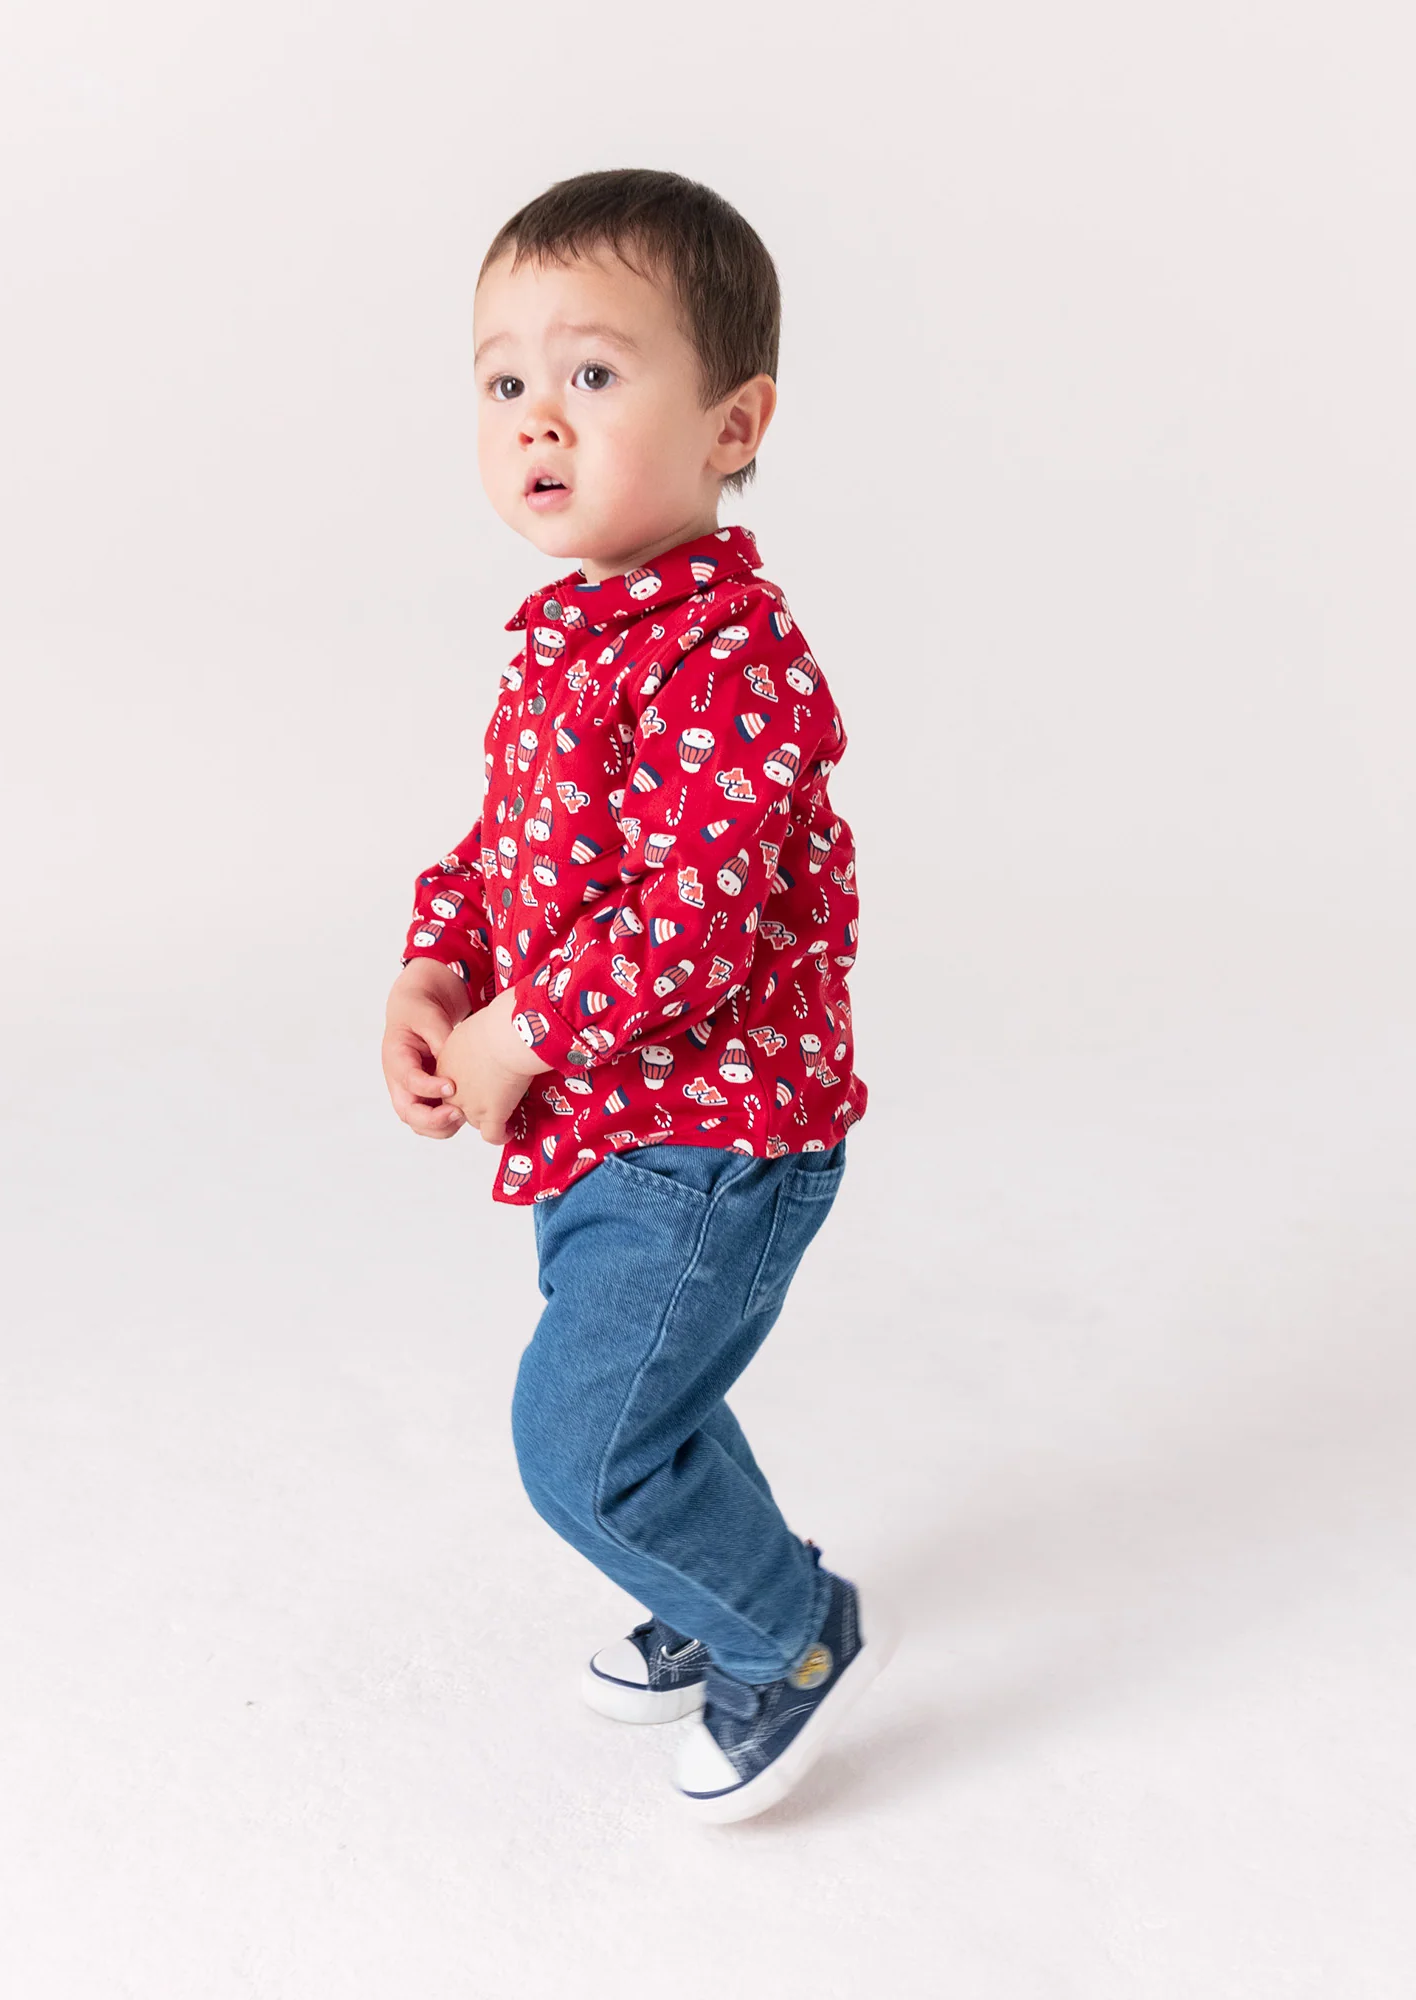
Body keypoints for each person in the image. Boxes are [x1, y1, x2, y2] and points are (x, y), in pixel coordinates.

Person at [380, 167, 892, 1823]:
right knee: (654, 1400)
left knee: (583, 1440)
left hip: (719, 1141)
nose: (538, 418)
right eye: (503, 382)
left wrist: (524, 1032)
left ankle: (786, 1636)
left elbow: (697, 922)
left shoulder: (728, 656)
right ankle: (714, 1581)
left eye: (592, 374)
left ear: (734, 423)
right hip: (610, 1127)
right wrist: (440, 963)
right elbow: (509, 845)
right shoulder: (569, 636)